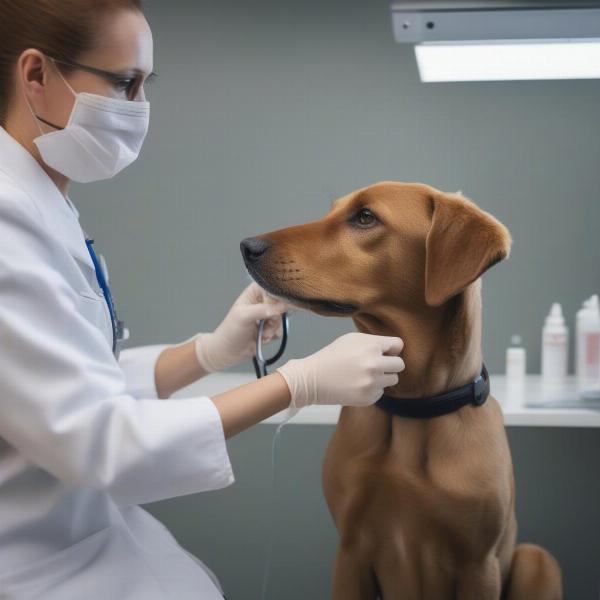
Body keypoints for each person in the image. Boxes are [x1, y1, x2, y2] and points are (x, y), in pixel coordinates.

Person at [0, 1, 406, 598]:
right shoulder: (8, 221)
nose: (138, 110)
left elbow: (73, 387)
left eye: (145, 86)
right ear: (35, 76)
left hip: (78, 537)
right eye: (123, 83)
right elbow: (97, 438)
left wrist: (211, 352)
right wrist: (297, 384)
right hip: (32, 562)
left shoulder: (41, 206)